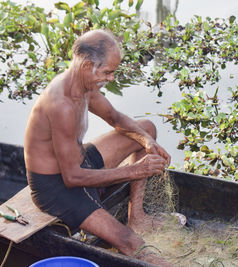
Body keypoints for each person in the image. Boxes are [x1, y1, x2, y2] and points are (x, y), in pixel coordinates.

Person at [24, 29, 173, 266]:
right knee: (129, 241)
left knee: (145, 128)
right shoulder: (61, 104)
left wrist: (147, 141)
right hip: (56, 187)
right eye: (108, 72)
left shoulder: (85, 86)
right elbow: (72, 177)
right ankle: (130, 230)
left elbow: (115, 117)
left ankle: (138, 217)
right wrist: (135, 170)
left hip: (79, 163)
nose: (111, 79)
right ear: (87, 66)